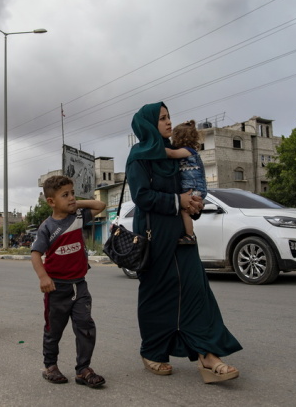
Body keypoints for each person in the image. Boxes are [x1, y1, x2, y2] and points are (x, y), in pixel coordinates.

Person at [126, 102, 242, 383]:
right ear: (148, 124)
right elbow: (141, 196)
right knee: (156, 296)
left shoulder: (175, 156)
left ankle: (208, 355)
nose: (168, 122)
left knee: (197, 291)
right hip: (155, 237)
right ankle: (153, 350)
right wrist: (177, 200)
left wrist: (194, 204)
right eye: (162, 118)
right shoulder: (139, 156)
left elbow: (188, 187)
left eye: (169, 117)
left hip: (184, 236)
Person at [30, 175, 107, 388]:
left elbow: (101, 204)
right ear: (51, 202)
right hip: (57, 288)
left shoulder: (79, 217)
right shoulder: (47, 227)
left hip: (80, 285)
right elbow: (35, 254)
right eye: (65, 195)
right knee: (53, 329)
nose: (72, 198)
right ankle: (50, 366)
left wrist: (75, 203)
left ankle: (83, 369)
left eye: (72, 193)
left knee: (86, 327)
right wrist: (43, 277)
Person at [165, 120, 207, 244]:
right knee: (185, 211)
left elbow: (172, 154)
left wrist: (157, 148)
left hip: (195, 188)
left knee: (185, 210)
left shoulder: (188, 151)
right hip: (193, 187)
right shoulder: (189, 152)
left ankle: (190, 236)